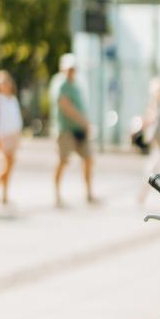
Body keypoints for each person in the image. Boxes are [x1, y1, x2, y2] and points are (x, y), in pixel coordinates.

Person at [50, 53, 95, 207]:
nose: (71, 72)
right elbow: (66, 106)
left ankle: (89, 193)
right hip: (66, 130)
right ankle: (57, 194)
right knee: (63, 161)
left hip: (80, 129)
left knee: (88, 159)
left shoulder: (77, 84)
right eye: (69, 69)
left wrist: (85, 124)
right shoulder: (60, 85)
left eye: (73, 69)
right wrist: (84, 122)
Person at [0, 69, 23, 204]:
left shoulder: (12, 99)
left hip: (13, 135)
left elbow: (16, 118)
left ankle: (3, 193)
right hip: (4, 135)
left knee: (10, 165)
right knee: (7, 165)